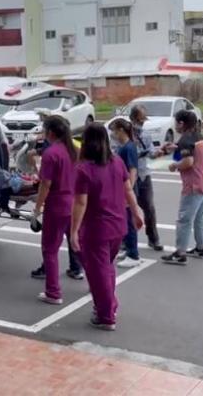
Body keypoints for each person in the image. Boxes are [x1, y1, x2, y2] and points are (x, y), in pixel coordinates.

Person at [70, 123, 143, 330]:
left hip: (96, 229)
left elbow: (81, 203)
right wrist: (136, 213)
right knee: (106, 268)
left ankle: (106, 315)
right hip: (118, 226)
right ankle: (109, 304)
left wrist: (74, 230)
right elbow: (128, 190)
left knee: (98, 272)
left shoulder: (84, 170)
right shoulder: (116, 162)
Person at [32, 116, 78, 304]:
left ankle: (53, 292)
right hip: (75, 204)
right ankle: (97, 282)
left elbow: (45, 185)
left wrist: (37, 209)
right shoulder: (73, 150)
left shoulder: (51, 154)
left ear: (50, 132)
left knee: (50, 250)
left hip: (57, 206)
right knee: (77, 245)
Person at [160, 110, 203, 265]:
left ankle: (180, 253)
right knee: (200, 219)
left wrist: (174, 165)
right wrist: (175, 147)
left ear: (181, 124)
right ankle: (201, 248)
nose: (175, 125)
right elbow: (192, 150)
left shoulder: (185, 139)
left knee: (184, 220)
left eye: (176, 122)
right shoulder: (201, 137)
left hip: (194, 185)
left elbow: (188, 161)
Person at [130, 105, 164, 251]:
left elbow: (151, 153)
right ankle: (126, 242)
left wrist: (161, 151)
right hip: (128, 176)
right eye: (139, 120)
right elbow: (118, 154)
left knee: (149, 208)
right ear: (132, 119)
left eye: (143, 120)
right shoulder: (122, 134)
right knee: (127, 210)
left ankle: (153, 238)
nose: (141, 123)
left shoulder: (145, 135)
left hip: (143, 174)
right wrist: (139, 154)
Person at [110, 118, 142, 268]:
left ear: (121, 130)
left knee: (129, 223)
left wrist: (127, 191)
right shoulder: (126, 146)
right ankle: (129, 248)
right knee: (125, 221)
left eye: (114, 131)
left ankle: (133, 254)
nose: (113, 134)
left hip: (127, 190)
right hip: (125, 190)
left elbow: (133, 171)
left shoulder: (128, 148)